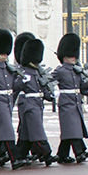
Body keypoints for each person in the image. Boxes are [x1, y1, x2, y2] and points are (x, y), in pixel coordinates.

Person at [0, 29, 27, 169]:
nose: (4, 56)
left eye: (6, 53)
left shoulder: (9, 69)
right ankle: (15, 159)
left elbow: (14, 87)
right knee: (7, 131)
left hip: (7, 102)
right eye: (2, 53)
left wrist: (22, 80)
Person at [13, 38, 56, 166]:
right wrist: (21, 81)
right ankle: (46, 153)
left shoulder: (37, 72)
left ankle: (20, 154)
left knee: (26, 133)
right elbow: (15, 88)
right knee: (37, 130)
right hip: (28, 104)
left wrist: (49, 95)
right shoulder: (24, 72)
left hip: (37, 103)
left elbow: (42, 87)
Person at [52, 33, 88, 164]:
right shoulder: (60, 70)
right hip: (66, 102)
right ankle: (79, 152)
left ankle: (62, 154)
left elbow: (82, 87)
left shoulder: (77, 70)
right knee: (72, 129)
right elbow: (49, 81)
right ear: (64, 57)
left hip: (76, 102)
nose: (73, 59)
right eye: (71, 56)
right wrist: (52, 92)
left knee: (71, 130)